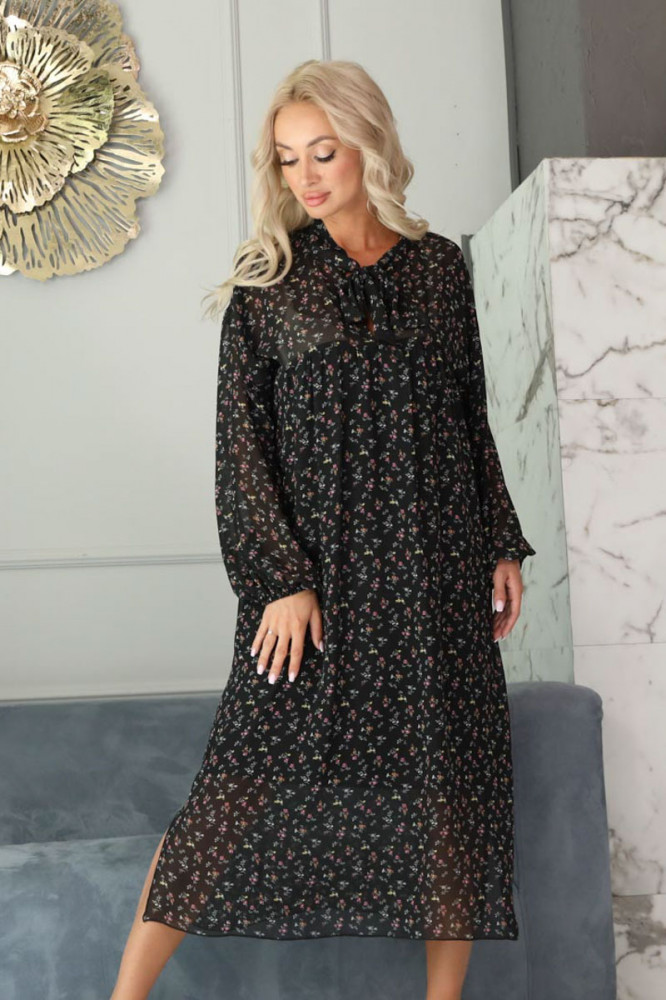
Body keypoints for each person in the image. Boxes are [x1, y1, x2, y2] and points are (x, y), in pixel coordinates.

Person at [110, 59, 536, 1000]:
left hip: (433, 577)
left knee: (449, 801)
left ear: (368, 146)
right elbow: (242, 453)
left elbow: (468, 416)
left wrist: (501, 541)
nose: (304, 174)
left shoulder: (438, 268)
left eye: (324, 152)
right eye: (287, 157)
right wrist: (280, 581)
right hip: (317, 587)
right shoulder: (269, 283)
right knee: (227, 801)